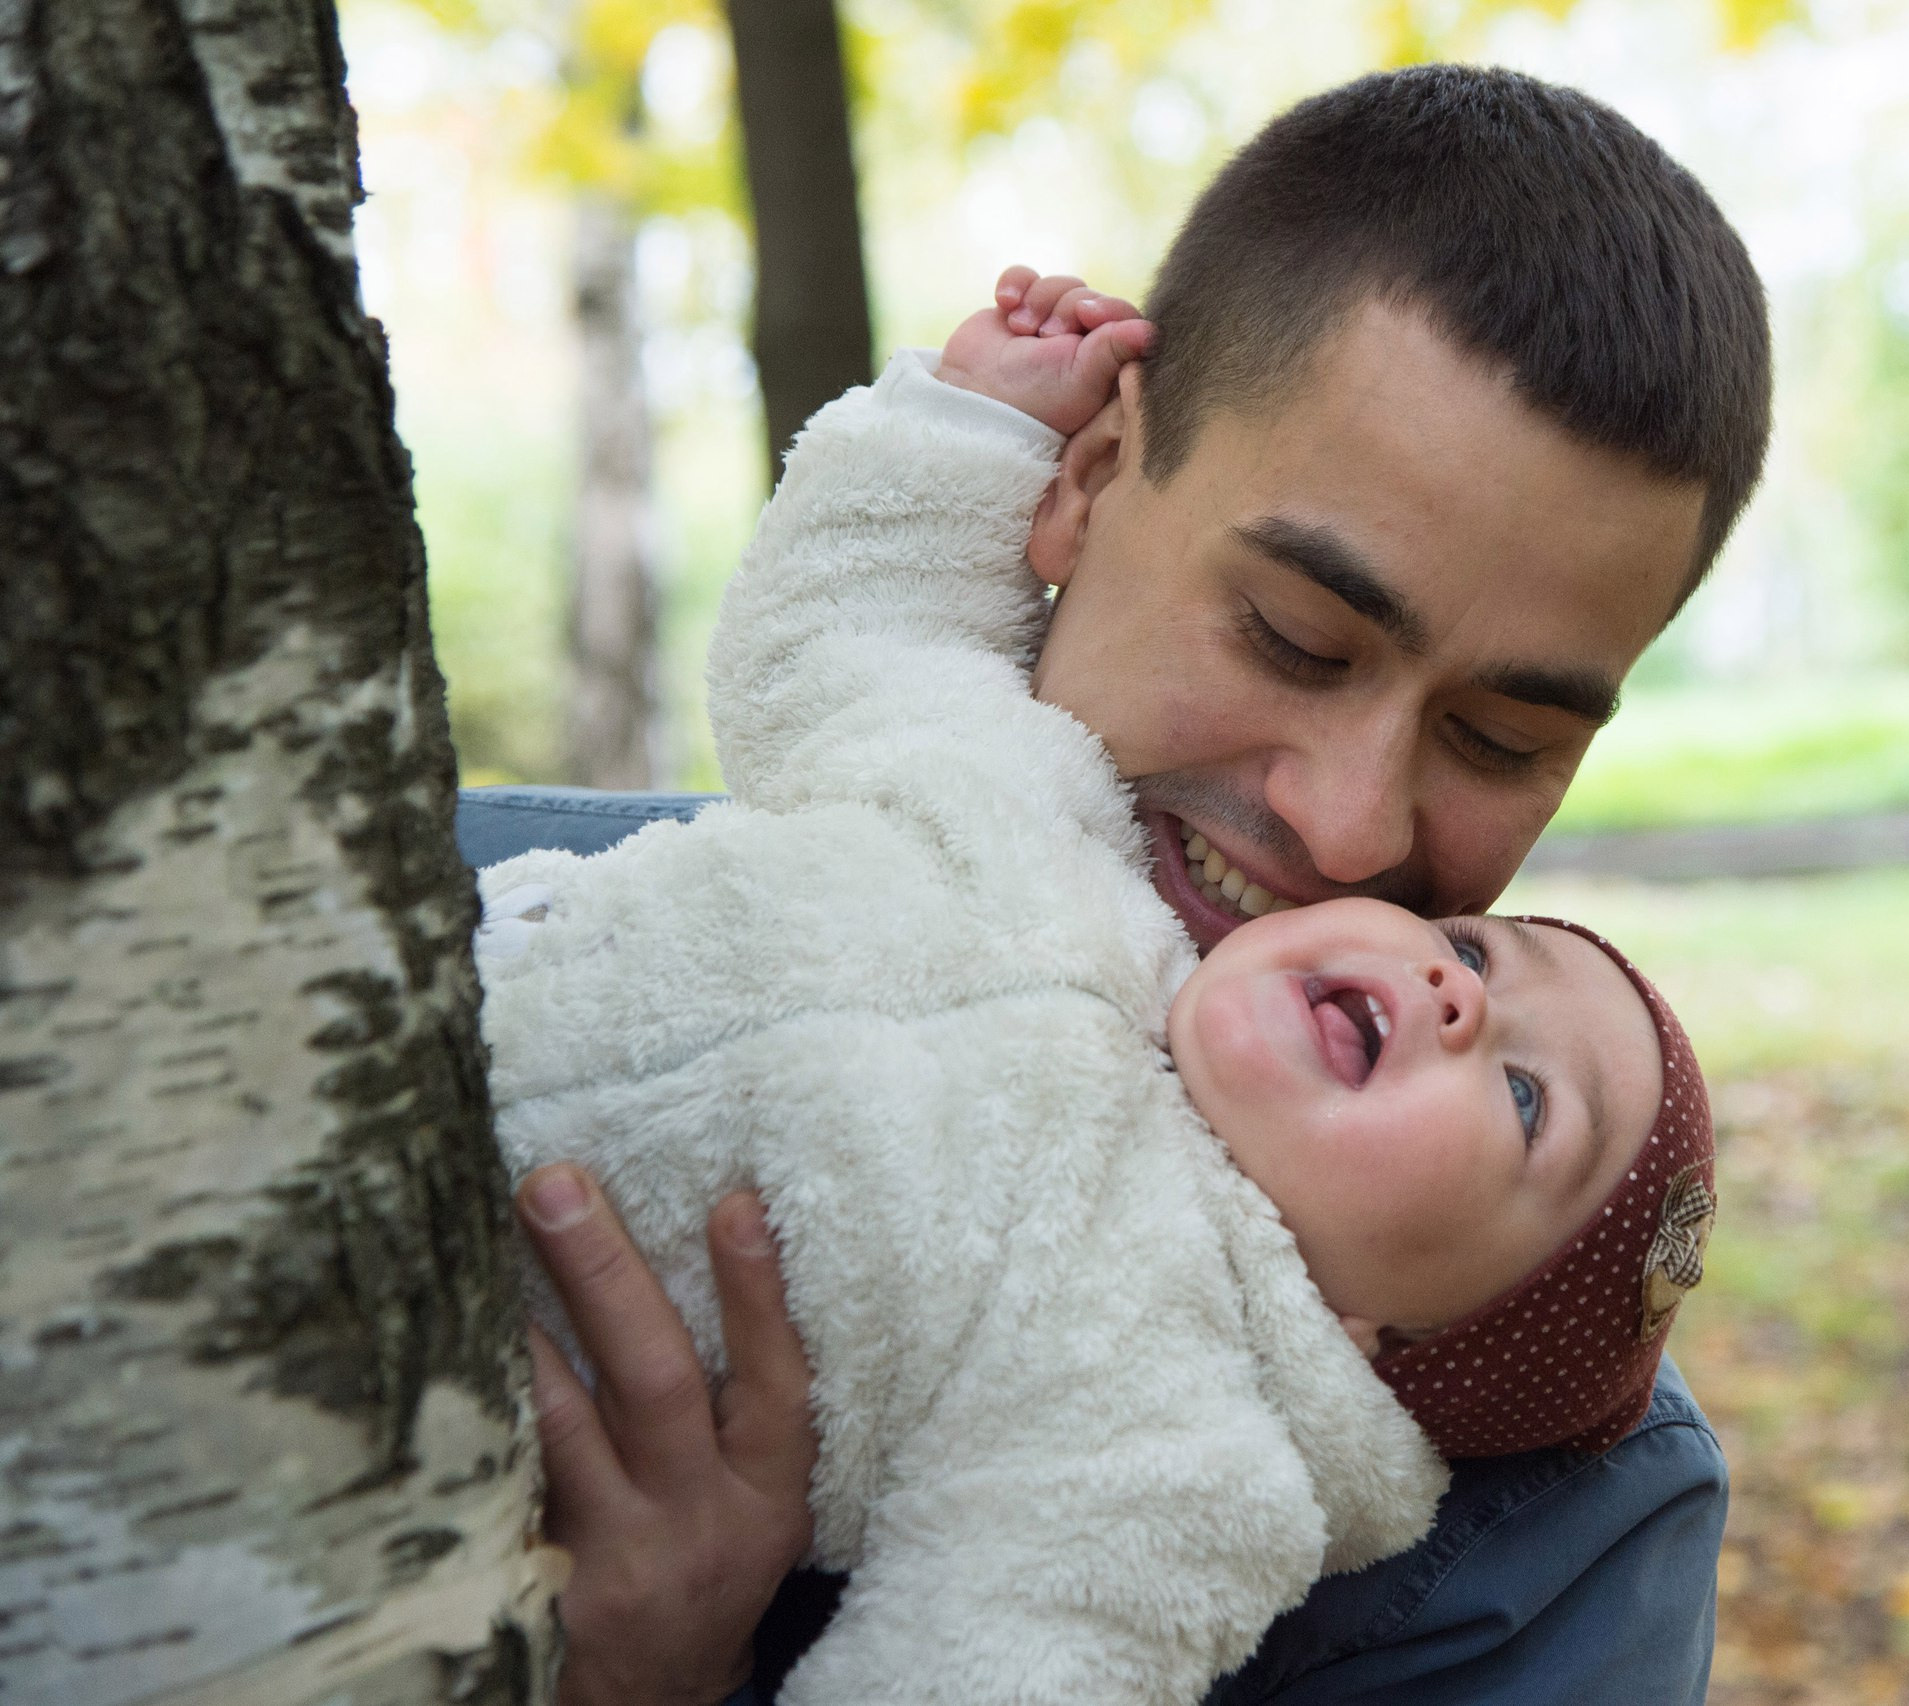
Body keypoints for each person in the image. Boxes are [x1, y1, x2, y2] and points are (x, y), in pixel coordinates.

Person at [466, 62, 1769, 1706]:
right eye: (1295, 637)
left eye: (1502, 737)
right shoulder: (445, 905)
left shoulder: (1541, 1528)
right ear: (1080, 476)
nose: (1355, 828)